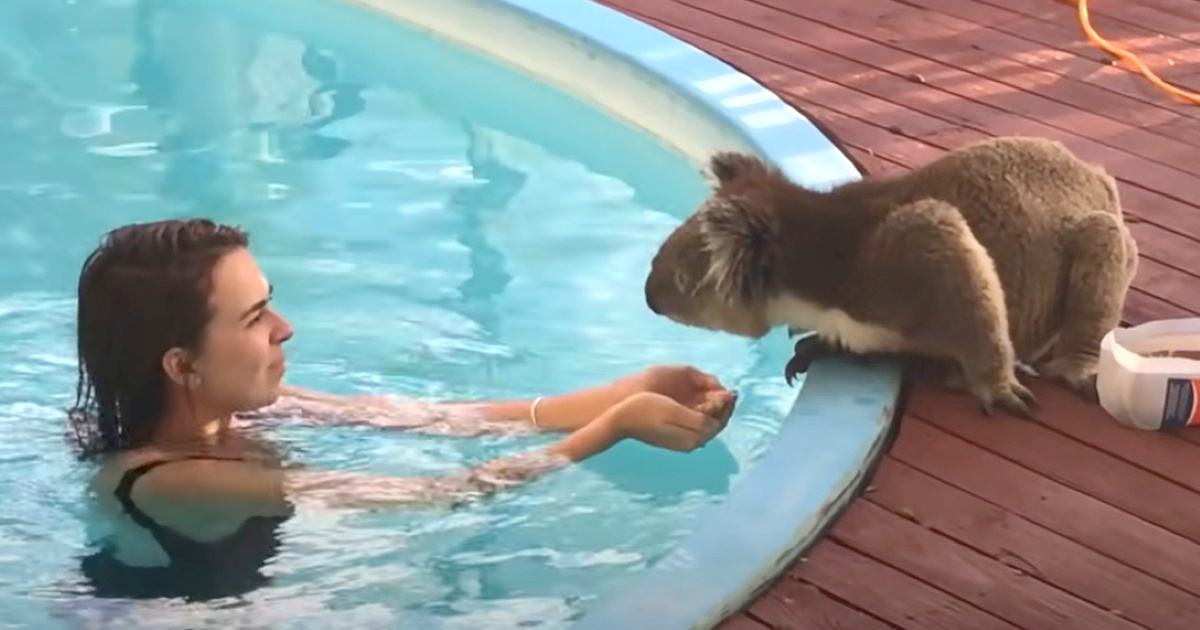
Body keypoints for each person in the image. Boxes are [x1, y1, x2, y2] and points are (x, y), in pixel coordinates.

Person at [69, 218, 736, 601]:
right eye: (253, 318)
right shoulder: (171, 479)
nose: (285, 327)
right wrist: (612, 430)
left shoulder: (246, 409)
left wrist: (623, 389)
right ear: (183, 367)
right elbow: (443, 494)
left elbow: (439, 418)